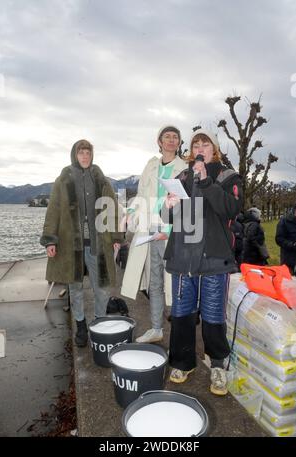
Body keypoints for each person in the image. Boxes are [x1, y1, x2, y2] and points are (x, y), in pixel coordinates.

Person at [161, 128, 243, 395]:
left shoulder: (227, 175)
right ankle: (183, 362)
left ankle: (217, 364)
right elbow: (169, 217)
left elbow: (231, 209)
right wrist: (168, 205)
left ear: (214, 150)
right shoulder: (182, 176)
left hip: (214, 257)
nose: (199, 147)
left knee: (212, 313)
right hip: (183, 257)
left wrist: (207, 182)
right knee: (182, 313)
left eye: (205, 144)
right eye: (196, 143)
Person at [40, 139, 123, 347]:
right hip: (71, 246)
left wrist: (115, 237)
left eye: (88, 152)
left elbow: (113, 209)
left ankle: (99, 322)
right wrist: (51, 239)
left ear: (92, 155)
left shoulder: (100, 178)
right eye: (81, 153)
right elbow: (54, 211)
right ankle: (81, 325)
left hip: (98, 244)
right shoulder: (64, 178)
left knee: (102, 288)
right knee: (75, 288)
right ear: (74, 155)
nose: (85, 156)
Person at [121, 125, 186, 343]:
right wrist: (130, 212)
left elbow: (187, 204)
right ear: (159, 141)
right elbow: (140, 194)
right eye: (166, 136)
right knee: (155, 282)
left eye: (175, 137)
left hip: (171, 234)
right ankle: (156, 328)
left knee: (176, 285)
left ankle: (179, 331)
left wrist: (169, 231)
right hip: (150, 230)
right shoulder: (151, 165)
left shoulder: (184, 168)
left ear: (178, 143)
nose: (171, 140)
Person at [275, 203, 296, 276]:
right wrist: (292, 245)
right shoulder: (285, 221)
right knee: (287, 282)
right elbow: (279, 239)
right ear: (295, 210)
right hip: (288, 259)